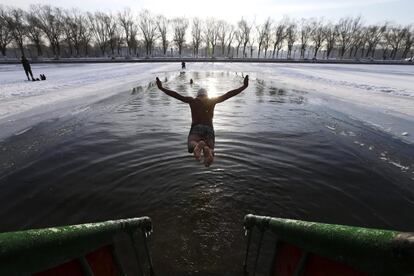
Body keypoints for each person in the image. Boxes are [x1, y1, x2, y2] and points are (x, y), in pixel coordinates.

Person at [155, 75, 249, 167]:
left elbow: (177, 95)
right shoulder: (212, 101)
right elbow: (228, 95)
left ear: (198, 95)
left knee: (191, 143)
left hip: (196, 127)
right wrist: (243, 86)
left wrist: (162, 88)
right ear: (206, 95)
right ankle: (208, 150)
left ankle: (196, 146)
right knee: (211, 148)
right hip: (209, 128)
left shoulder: (192, 101)